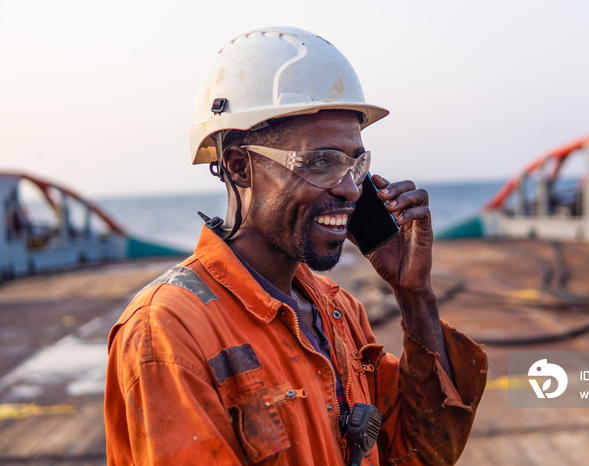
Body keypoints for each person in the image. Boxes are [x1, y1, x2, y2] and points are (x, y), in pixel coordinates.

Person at [104, 26, 488, 465]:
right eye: (321, 161)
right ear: (239, 166)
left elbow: (421, 454)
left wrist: (415, 295)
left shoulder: (337, 310)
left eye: (356, 163)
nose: (350, 189)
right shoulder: (169, 332)